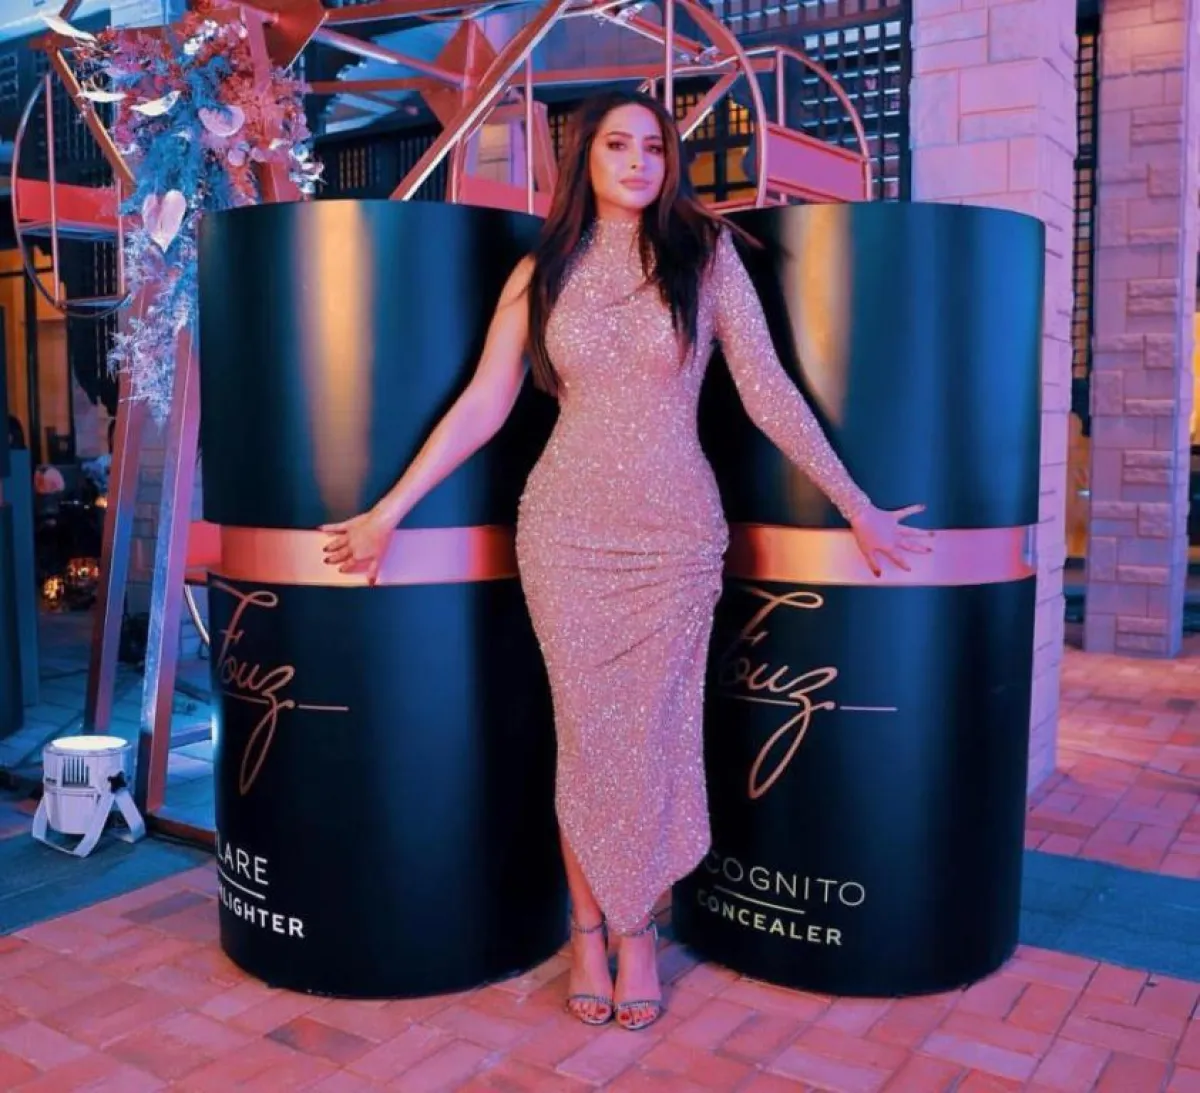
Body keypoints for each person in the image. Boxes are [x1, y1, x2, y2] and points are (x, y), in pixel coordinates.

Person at [321, 89, 931, 1031]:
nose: (639, 162)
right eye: (618, 145)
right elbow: (485, 401)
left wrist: (855, 503)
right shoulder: (543, 269)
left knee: (648, 737)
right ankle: (587, 929)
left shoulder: (705, 255)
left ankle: (637, 926)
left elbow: (766, 390)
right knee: (589, 737)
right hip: (564, 534)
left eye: (654, 147)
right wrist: (388, 510)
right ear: (586, 158)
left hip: (676, 539)